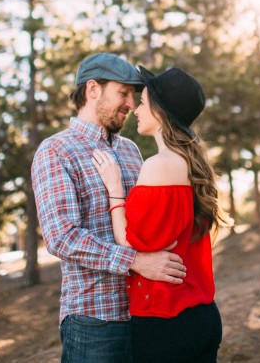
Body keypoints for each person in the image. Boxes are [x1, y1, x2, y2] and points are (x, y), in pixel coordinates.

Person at [31, 53, 188, 363]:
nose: (131, 103)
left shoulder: (130, 150)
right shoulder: (56, 150)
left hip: (146, 314)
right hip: (94, 321)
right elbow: (62, 237)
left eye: (133, 95)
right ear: (92, 90)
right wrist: (136, 261)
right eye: (123, 93)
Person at [93, 66, 230, 363]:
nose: (136, 109)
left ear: (161, 112)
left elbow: (129, 243)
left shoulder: (160, 165)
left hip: (166, 320)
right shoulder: (192, 164)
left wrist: (115, 188)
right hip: (200, 315)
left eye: (143, 103)